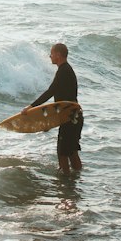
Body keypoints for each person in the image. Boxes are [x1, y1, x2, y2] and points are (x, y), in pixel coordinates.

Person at [28, 42, 83, 173]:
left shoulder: (63, 71)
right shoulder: (66, 70)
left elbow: (50, 92)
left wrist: (31, 107)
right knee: (71, 152)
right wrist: (49, 121)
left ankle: (65, 185)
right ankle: (76, 181)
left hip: (70, 118)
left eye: (51, 53)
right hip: (74, 117)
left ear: (58, 55)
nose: (50, 56)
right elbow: (63, 102)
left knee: (63, 153)